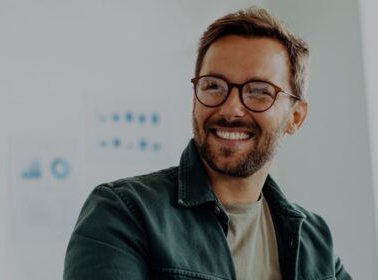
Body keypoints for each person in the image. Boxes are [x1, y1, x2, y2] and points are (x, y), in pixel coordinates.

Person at [64, 7, 350, 280]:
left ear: (296, 117)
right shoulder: (124, 212)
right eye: (214, 86)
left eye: (259, 92)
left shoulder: (315, 239)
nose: (231, 110)